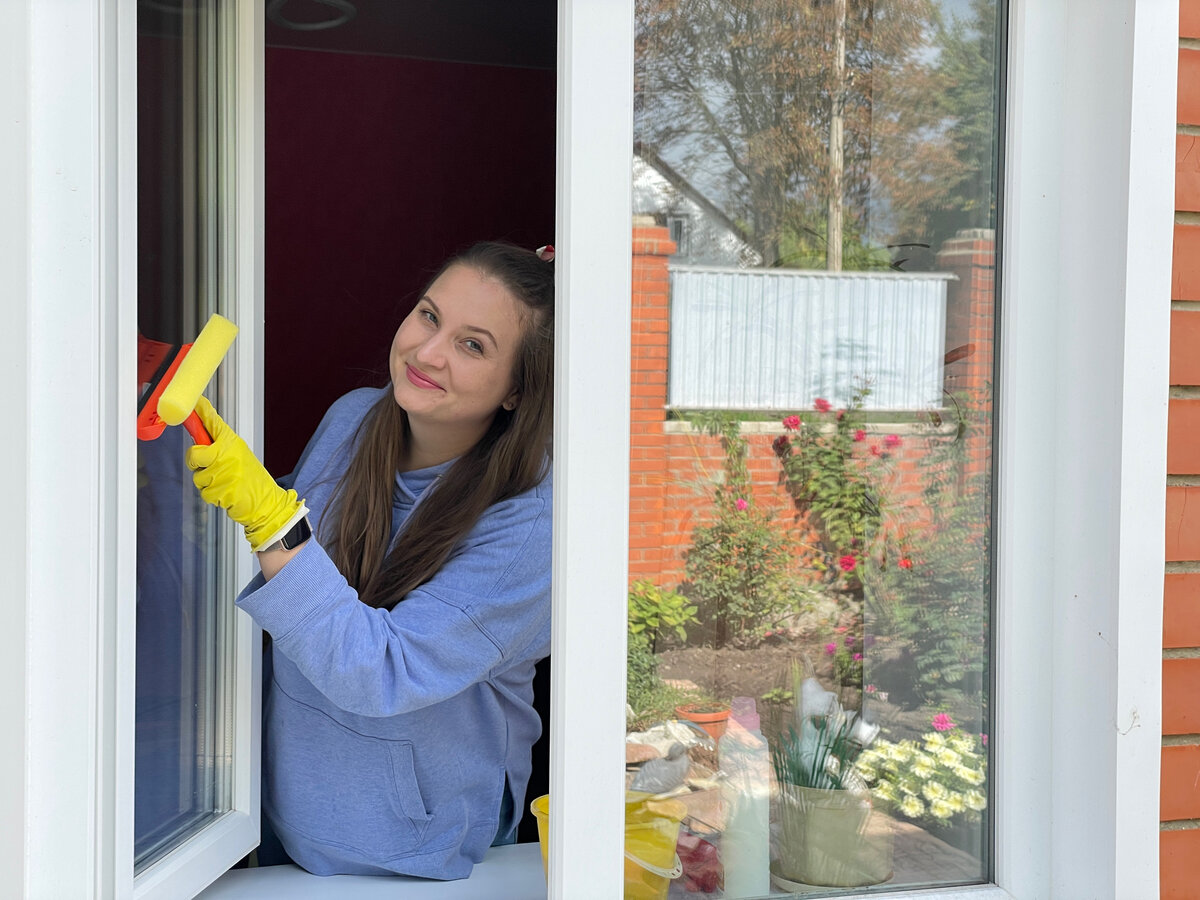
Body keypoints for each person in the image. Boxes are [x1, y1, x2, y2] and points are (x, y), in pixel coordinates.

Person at [184, 241, 555, 879]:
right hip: (277, 816)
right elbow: (282, 590)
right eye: (429, 315)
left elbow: (382, 671)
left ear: (518, 389)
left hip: (411, 849)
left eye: (474, 345)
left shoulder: (531, 525)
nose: (428, 352)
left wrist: (275, 523)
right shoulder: (353, 420)